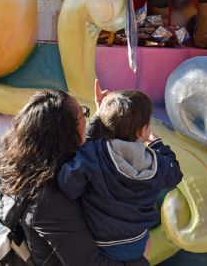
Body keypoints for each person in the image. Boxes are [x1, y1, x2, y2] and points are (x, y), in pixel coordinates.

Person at [0, 90, 149, 265]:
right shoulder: (49, 201)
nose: (85, 118)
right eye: (82, 115)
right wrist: (141, 259)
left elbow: (80, 146)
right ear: (66, 135)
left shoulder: (22, 165)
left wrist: (102, 117)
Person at [57, 90, 183, 262]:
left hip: (101, 243)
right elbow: (175, 173)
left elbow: (67, 183)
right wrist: (157, 144)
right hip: (137, 243)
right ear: (141, 132)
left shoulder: (92, 153)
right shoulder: (155, 162)